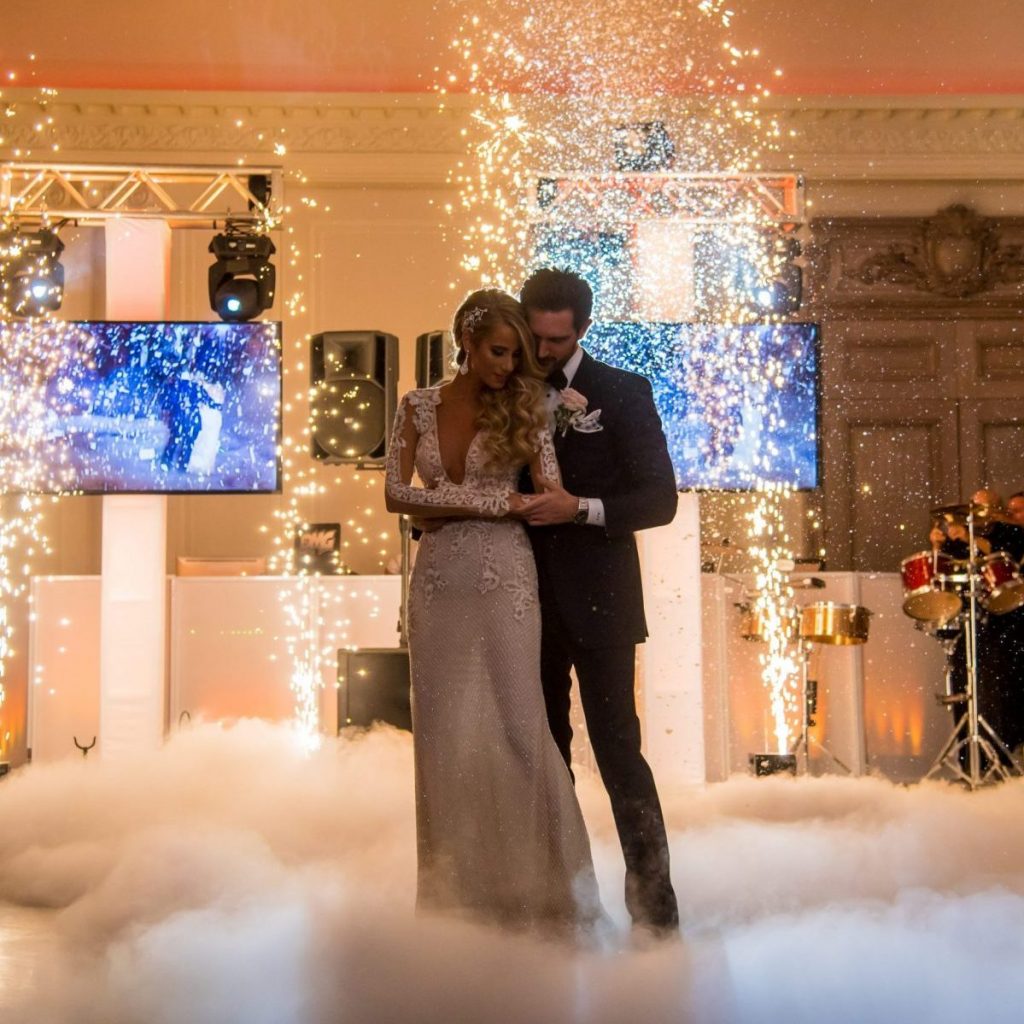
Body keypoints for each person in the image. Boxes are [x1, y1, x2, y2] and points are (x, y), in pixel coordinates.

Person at [384, 288, 602, 933]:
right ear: (467, 345)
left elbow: (549, 494)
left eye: (516, 354)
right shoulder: (416, 406)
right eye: (498, 352)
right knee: (445, 737)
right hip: (438, 581)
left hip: (505, 575)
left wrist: (456, 504)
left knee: (516, 723)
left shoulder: (526, 406)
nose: (509, 366)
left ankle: (545, 896)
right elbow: (396, 494)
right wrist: (488, 503)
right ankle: (457, 903)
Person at [517, 267, 680, 935]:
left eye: (556, 340)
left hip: (604, 603)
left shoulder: (622, 390)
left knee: (620, 754)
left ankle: (656, 915)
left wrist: (578, 508)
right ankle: (561, 907)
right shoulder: (505, 390)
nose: (544, 351)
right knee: (543, 757)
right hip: (523, 601)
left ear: (582, 328)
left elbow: (659, 500)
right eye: (536, 337)